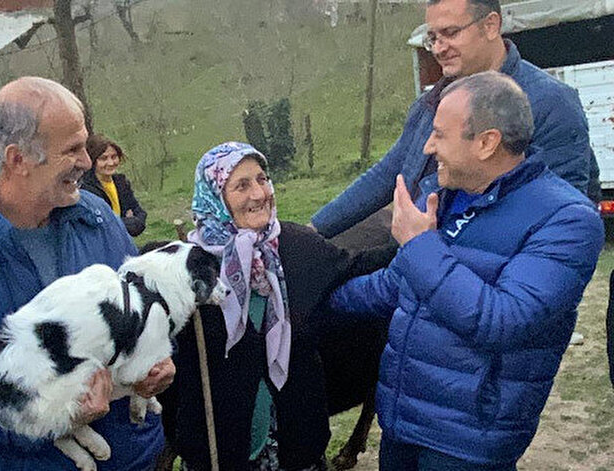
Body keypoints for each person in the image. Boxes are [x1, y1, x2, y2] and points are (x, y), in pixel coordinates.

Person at [0, 76, 173, 470]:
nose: (88, 163)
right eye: (72, 149)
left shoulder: (97, 219)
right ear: (18, 159)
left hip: (131, 458)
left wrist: (154, 359)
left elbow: (140, 307)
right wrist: (59, 416)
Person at [330, 71, 604, 470]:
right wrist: (309, 302)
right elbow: (393, 287)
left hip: (468, 441)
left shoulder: (567, 220)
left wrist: (419, 244)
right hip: (402, 422)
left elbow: (502, 320)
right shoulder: (445, 197)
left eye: (440, 134)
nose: (427, 146)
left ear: (487, 142)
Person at [169, 142, 395, 470]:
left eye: (262, 179)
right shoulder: (188, 267)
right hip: (219, 452)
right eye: (242, 185)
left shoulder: (296, 246)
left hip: (296, 444)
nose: (259, 194)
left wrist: (413, 239)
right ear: (214, 197)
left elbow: (360, 265)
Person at [311, 0, 598, 239]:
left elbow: (564, 214)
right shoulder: (430, 102)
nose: (438, 48)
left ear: (490, 25)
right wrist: (315, 230)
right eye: (433, 37)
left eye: (450, 33)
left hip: (485, 279)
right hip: (419, 254)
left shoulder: (550, 103)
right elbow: (388, 174)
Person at [80, 134, 147, 237]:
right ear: (92, 161)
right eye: (103, 158)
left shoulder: (121, 182)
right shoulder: (87, 190)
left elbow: (140, 212)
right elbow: (103, 226)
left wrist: (130, 222)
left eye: (114, 157)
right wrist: (129, 221)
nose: (110, 163)